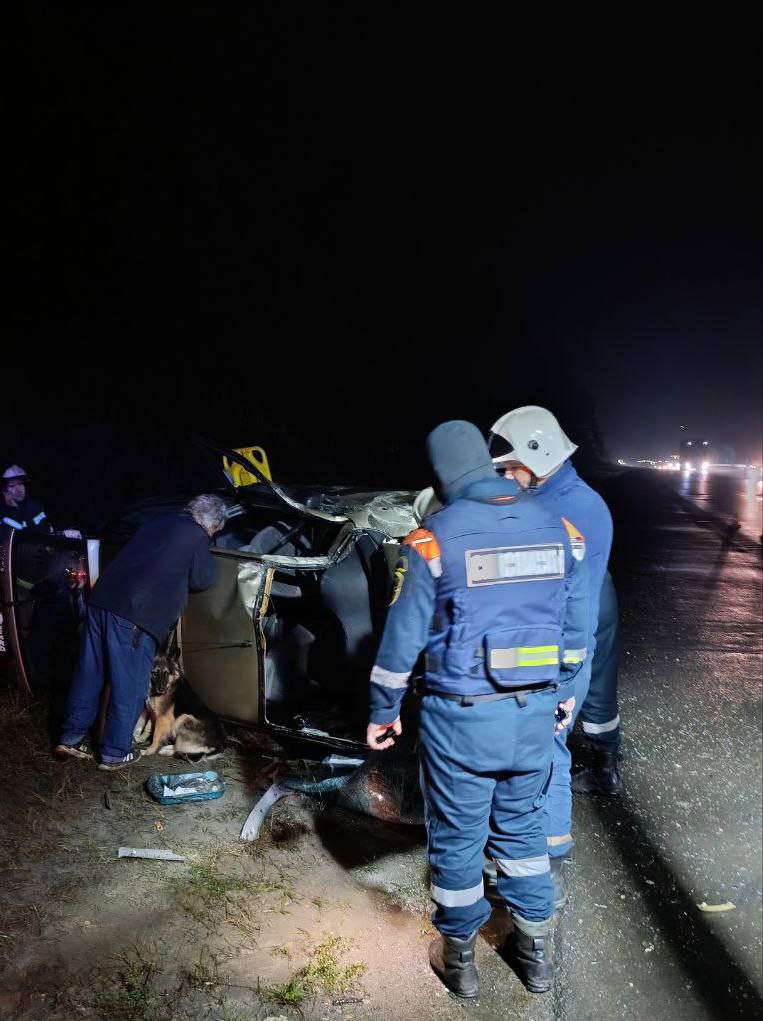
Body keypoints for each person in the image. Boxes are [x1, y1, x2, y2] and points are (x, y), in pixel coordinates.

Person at [367, 421, 589, 997]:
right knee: (521, 832)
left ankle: (459, 962)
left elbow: (401, 642)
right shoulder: (562, 530)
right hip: (535, 716)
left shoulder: (433, 539)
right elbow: (572, 627)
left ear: (441, 472)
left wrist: (382, 708)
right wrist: (563, 694)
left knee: (459, 837)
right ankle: (536, 955)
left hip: (460, 721)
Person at [487, 405, 619, 907]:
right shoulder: (553, 495)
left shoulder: (575, 510)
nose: (505, 474)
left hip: (559, 656)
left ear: (538, 457)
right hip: (553, 652)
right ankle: (544, 850)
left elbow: (571, 602)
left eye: (510, 465)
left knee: (545, 754)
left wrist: (561, 677)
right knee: (545, 753)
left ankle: (540, 868)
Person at [55, 494, 226, 770]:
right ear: (212, 523)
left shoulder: (155, 523)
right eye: (215, 530)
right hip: (133, 616)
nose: (213, 534)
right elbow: (203, 579)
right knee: (131, 685)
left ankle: (70, 738)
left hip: (100, 604)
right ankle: (114, 752)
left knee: (89, 674)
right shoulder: (196, 535)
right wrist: (206, 543)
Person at [1, 465, 80, 537]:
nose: (19, 489)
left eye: (21, 484)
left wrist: (63, 534)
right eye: (12, 485)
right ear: (4, 490)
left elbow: (44, 535)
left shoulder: (35, 509)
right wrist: (13, 509)